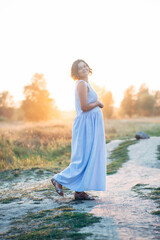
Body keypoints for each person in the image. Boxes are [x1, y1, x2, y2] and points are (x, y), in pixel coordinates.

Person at [51, 59, 106, 200]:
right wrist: (98, 102)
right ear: (76, 72)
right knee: (82, 159)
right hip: (85, 127)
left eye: (85, 66)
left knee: (88, 158)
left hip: (89, 125)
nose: (83, 68)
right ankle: (59, 179)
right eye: (80, 67)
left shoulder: (85, 83)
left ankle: (79, 191)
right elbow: (84, 107)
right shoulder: (81, 84)